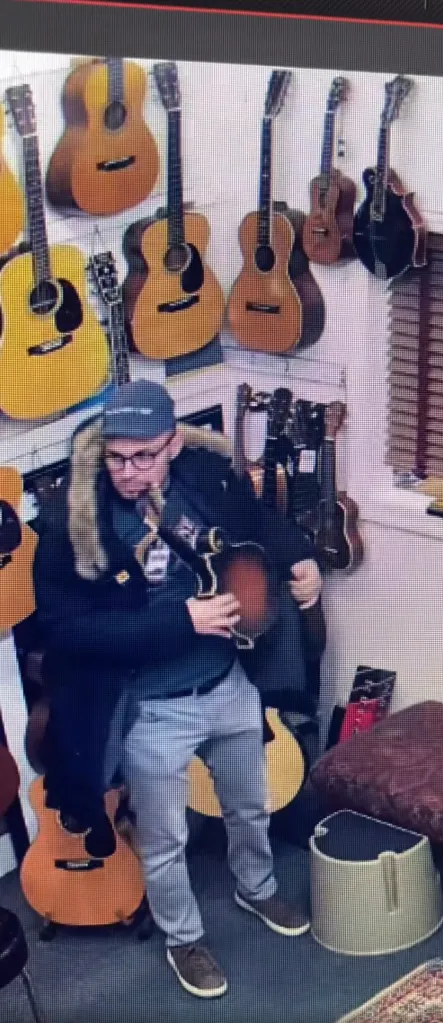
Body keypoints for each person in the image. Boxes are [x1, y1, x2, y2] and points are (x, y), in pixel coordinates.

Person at [32, 379, 323, 998]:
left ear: (171, 445)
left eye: (145, 455)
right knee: (166, 840)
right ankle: (183, 938)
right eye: (117, 456)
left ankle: (258, 890)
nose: (130, 471)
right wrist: (177, 621)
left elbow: (256, 521)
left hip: (226, 682)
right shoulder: (71, 517)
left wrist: (301, 556)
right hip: (149, 706)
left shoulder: (201, 472)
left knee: (250, 806)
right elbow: (65, 631)